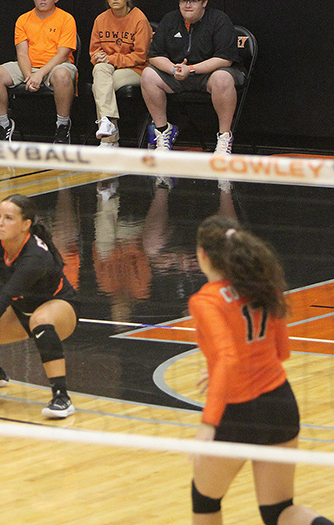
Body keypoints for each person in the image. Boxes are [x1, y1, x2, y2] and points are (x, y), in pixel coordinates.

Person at [189, 215, 333, 525]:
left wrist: (208, 425)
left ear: (202, 255)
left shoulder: (206, 301)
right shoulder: (262, 288)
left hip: (239, 413)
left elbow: (228, 358)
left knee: (204, 498)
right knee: (279, 511)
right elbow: (282, 351)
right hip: (281, 404)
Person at [0, 194, 79, 419]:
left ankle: (61, 397)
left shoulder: (36, 256)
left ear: (25, 225)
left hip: (59, 307)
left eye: (9, 218)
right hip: (22, 310)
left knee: (40, 322)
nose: (0, 222)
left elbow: (4, 298)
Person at [140, 0, 244, 155]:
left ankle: (224, 137)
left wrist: (192, 69)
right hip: (178, 74)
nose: (187, 5)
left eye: (193, 0)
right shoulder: (170, 19)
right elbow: (154, 56)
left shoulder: (219, 19)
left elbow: (224, 59)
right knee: (148, 74)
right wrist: (173, 69)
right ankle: (162, 131)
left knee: (223, 77)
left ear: (204, 2)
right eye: (183, 0)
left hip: (209, 74)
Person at [0, 0, 77, 145]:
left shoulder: (66, 19)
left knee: (62, 76)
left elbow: (62, 55)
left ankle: (63, 127)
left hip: (56, 65)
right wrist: (29, 76)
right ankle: (3, 126)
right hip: (28, 66)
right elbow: (22, 54)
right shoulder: (23, 19)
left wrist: (39, 74)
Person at [89, 0, 151, 147]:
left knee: (100, 87)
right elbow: (94, 51)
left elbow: (141, 56)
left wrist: (110, 59)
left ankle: (109, 140)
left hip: (136, 69)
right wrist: (98, 57)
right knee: (99, 70)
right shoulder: (100, 19)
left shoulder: (139, 19)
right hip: (108, 66)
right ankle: (107, 126)